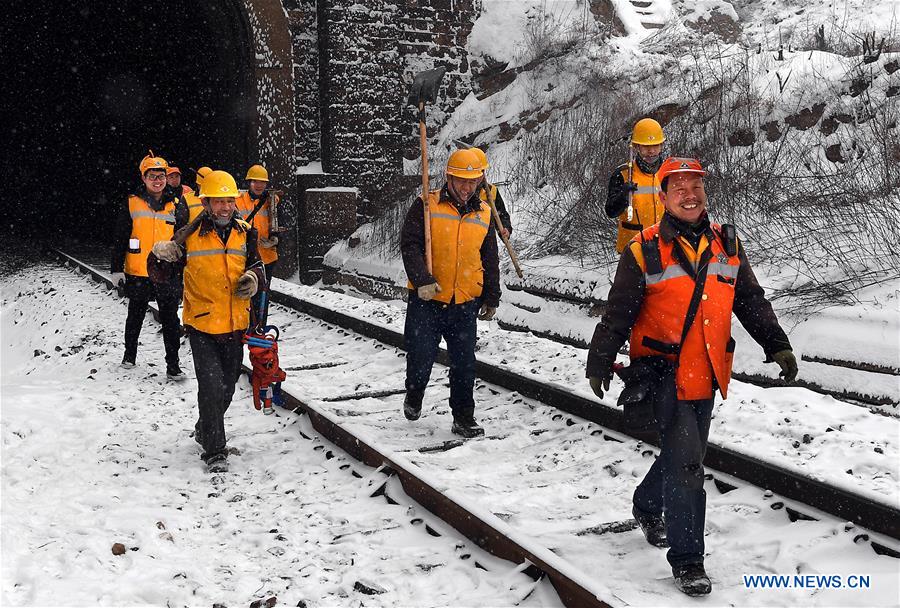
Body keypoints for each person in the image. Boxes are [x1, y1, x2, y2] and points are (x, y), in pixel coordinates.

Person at [586, 157, 798, 596]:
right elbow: (619, 311)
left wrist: (776, 343)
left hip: (707, 372)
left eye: (695, 186)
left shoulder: (727, 244)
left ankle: (646, 505)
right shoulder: (643, 249)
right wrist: (600, 358)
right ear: (663, 198)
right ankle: (687, 561)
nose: (689, 194)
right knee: (687, 464)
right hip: (663, 372)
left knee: (685, 454)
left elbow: (750, 300)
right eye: (678, 187)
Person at [152, 170, 265, 473]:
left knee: (227, 387)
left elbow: (259, 268)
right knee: (212, 386)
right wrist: (160, 256)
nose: (225, 207)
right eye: (218, 201)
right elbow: (160, 273)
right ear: (206, 203)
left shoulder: (246, 232)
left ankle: (205, 427)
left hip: (234, 324)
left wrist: (254, 279)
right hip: (202, 324)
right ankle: (215, 450)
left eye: (229, 200)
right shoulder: (189, 236)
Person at [400, 148, 501, 438]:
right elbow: (410, 245)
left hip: (464, 301)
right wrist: (422, 280)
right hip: (428, 299)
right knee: (420, 357)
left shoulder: (483, 213)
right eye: (461, 181)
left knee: (464, 364)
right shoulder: (426, 204)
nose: (467, 187)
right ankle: (415, 393)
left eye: (473, 182)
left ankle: (463, 417)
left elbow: (489, 257)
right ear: (449, 178)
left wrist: (491, 295)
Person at [110, 151, 183, 379]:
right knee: (135, 315)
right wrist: (116, 269)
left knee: (171, 320)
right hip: (139, 270)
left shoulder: (176, 204)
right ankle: (129, 356)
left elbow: (183, 239)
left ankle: (173, 366)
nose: (157, 180)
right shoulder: (132, 202)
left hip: (167, 272)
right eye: (152, 176)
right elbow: (120, 237)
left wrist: (183, 270)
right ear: (144, 178)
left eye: (161, 176)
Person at [605, 118, 666, 253]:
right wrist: (623, 197)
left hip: (663, 247)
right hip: (633, 249)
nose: (651, 151)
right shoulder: (623, 174)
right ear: (637, 147)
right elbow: (611, 211)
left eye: (655, 146)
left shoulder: (668, 173)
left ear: (662, 146)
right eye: (646, 146)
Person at [236, 164, 279, 285]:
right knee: (246, 291)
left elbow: (280, 224)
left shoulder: (273, 201)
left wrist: (275, 239)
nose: (259, 185)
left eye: (262, 182)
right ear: (249, 182)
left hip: (267, 256)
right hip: (245, 256)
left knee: (263, 292)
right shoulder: (237, 200)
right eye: (255, 181)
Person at [471, 147, 512, 240]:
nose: (479, 175)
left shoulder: (492, 191)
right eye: (475, 171)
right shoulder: (460, 193)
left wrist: (506, 229)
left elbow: (501, 214)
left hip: (488, 242)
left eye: (482, 171)